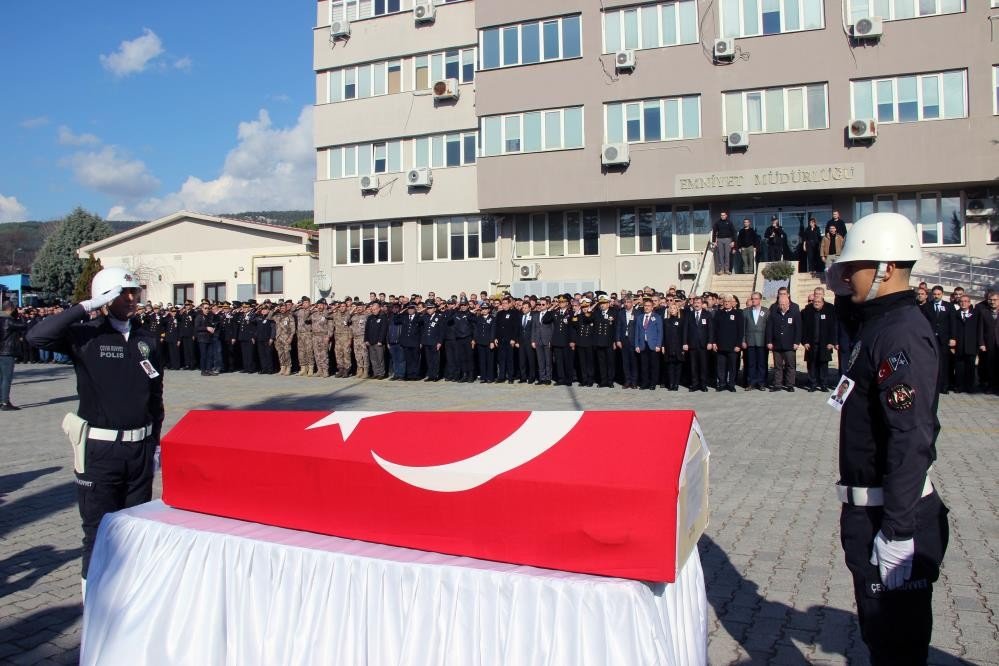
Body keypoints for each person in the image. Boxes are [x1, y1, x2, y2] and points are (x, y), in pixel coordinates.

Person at [824, 211, 948, 666]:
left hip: (892, 515)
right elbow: (850, 311)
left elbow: (910, 437)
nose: (843, 275)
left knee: (898, 645)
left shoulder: (901, 334)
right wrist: (842, 283)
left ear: (886, 268)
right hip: (869, 510)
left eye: (853, 265)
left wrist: (898, 530)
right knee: (881, 639)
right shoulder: (879, 323)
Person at [26, 267, 164, 599]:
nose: (131, 299)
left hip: (140, 450)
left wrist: (155, 443)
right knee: (99, 531)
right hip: (101, 451)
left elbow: (155, 395)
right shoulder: (86, 335)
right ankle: (94, 604)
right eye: (122, 293)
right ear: (105, 296)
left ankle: (129, 595)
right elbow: (36, 337)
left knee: (134, 527)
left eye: (135, 293)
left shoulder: (146, 338)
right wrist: (87, 306)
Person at [801, 288, 838, 391]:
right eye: (815, 300)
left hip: (825, 343)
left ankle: (824, 384)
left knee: (823, 364)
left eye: (818, 301)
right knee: (811, 364)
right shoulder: (807, 309)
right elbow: (803, 327)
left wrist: (832, 342)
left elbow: (833, 327)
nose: (816, 303)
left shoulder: (830, 308)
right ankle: (812, 384)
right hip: (811, 343)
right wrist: (804, 341)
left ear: (823, 297)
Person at [921, 285, 956, 394]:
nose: (936, 296)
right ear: (932, 294)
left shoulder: (949, 306)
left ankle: (944, 386)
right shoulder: (926, 306)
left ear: (942, 294)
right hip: (930, 339)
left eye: (938, 294)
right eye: (934, 294)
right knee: (930, 362)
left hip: (944, 339)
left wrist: (953, 338)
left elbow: (953, 323)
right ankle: (931, 386)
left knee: (944, 363)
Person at [766, 293, 801, 391]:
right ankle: (777, 384)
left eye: (784, 304)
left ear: (788, 303)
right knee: (778, 366)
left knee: (790, 365)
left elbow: (798, 329)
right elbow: (769, 329)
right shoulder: (774, 314)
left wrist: (796, 342)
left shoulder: (795, 313)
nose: (782, 306)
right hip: (776, 345)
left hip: (790, 345)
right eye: (780, 304)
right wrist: (769, 341)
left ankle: (790, 385)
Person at [712, 294, 743, 392]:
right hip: (720, 345)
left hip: (733, 346)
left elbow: (740, 330)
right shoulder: (718, 313)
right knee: (721, 366)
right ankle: (722, 383)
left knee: (732, 367)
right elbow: (714, 329)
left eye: (728, 301)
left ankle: (731, 384)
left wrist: (738, 345)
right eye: (725, 301)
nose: (726, 303)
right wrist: (714, 342)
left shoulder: (737, 314)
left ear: (732, 303)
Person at [0, 301, 27, 410]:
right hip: (7, 352)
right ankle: (5, 402)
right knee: (7, 378)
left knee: (1, 378)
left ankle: (1, 401)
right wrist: (21, 314)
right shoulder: (8, 320)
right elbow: (24, 326)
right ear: (11, 309)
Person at [682, 296, 713, 392]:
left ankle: (703, 384)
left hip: (703, 345)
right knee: (693, 365)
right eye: (695, 302)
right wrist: (685, 342)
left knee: (703, 365)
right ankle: (694, 384)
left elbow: (710, 330)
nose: (696, 304)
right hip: (692, 344)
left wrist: (710, 342)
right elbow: (685, 330)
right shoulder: (689, 315)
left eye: (698, 302)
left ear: (701, 304)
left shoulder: (707, 314)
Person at [633, 298, 662, 390]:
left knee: (653, 366)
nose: (647, 307)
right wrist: (637, 345)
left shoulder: (657, 317)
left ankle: (653, 383)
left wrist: (658, 345)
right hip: (643, 344)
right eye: (645, 306)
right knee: (644, 366)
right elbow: (637, 332)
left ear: (652, 307)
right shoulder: (640, 317)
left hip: (653, 345)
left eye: (649, 306)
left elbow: (660, 332)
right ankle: (645, 383)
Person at [742, 292, 768, 391]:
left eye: (756, 299)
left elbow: (768, 328)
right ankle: (751, 383)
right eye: (752, 298)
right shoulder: (746, 311)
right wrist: (743, 340)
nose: (754, 300)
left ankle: (761, 383)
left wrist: (768, 341)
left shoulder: (766, 311)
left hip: (762, 341)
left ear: (760, 300)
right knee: (751, 363)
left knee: (762, 363)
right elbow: (743, 328)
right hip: (750, 341)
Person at [951, 295, 978, 393]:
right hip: (959, 346)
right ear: (959, 303)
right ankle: (959, 387)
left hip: (971, 345)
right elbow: (952, 329)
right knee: (959, 368)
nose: (963, 303)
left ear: (969, 303)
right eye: (961, 301)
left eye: (966, 301)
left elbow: (978, 330)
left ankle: (969, 387)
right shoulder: (955, 314)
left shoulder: (975, 314)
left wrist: (979, 344)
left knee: (970, 368)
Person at [615, 295, 639, 389]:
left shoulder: (637, 313)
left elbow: (639, 328)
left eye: (629, 302)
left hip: (633, 340)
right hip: (624, 340)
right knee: (625, 362)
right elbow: (618, 327)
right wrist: (618, 340)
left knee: (634, 362)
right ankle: (627, 381)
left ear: (632, 303)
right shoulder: (621, 313)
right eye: (625, 302)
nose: (627, 304)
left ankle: (634, 382)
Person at [979, 291, 999, 393]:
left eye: (995, 300)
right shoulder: (984, 312)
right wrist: (981, 343)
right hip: (989, 343)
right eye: (990, 300)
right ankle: (991, 386)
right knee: (990, 366)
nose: (992, 302)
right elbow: (980, 329)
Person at [662, 301, 684, 391]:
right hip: (669, 346)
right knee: (670, 366)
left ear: (677, 310)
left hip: (678, 347)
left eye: (674, 308)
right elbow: (663, 334)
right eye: (671, 308)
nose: (672, 310)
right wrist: (663, 346)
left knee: (678, 366)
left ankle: (676, 384)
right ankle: (671, 384)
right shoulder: (666, 321)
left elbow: (683, 334)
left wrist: (683, 346)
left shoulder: (681, 321)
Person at [364, 301, 389, 379]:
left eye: (375, 309)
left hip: (379, 343)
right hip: (371, 342)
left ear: (379, 309)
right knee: (373, 359)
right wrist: (366, 340)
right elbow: (366, 330)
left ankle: (381, 373)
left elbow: (383, 330)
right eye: (372, 309)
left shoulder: (383, 317)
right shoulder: (370, 318)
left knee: (380, 359)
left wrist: (380, 341)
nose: (373, 311)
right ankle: (376, 373)